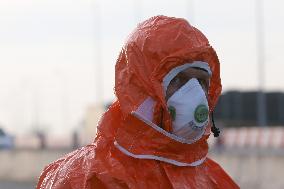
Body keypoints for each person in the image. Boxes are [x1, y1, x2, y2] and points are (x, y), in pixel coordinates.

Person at [37, 15, 239, 189]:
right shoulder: (85, 178)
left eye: (202, 81)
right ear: (141, 89)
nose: (195, 94)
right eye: (178, 79)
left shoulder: (214, 181)